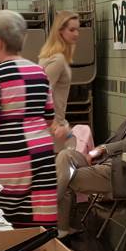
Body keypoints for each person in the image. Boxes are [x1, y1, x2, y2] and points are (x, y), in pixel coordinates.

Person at [54, 76, 126, 238]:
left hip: (121, 173)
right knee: (65, 155)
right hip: (106, 164)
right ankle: (57, 217)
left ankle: (57, 219)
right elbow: (117, 143)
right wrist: (96, 152)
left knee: (66, 178)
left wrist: (104, 148)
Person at [0, 10, 57, 228]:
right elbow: (49, 118)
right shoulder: (40, 72)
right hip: (42, 152)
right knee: (40, 216)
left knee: (3, 218)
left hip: (12, 155)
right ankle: (44, 247)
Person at [38, 10, 79, 149]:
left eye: (77, 30)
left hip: (55, 125)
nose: (76, 34)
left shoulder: (55, 56)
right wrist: (55, 126)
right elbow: (42, 95)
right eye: (71, 30)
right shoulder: (58, 60)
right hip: (53, 129)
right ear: (60, 31)